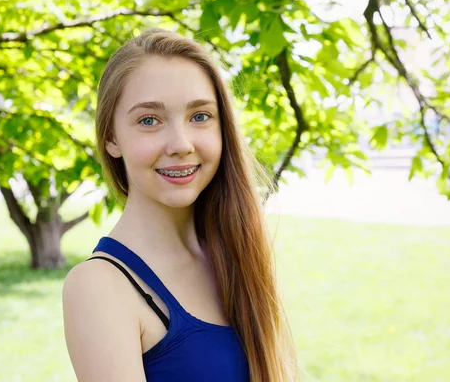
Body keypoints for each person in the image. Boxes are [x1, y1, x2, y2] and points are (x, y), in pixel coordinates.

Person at [62, 28, 297, 382]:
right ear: (111, 138)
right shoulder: (99, 287)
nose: (181, 144)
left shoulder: (234, 251)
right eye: (149, 120)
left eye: (199, 116)